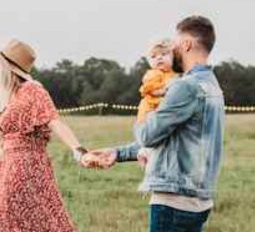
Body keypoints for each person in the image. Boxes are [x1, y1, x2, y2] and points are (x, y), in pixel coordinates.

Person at [86, 15, 224, 232]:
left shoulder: (185, 87)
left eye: (175, 44)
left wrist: (145, 108)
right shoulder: (212, 86)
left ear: (186, 44)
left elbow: (148, 135)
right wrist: (119, 153)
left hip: (173, 201)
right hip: (199, 201)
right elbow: (170, 139)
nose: (172, 50)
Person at [0, 39, 96, 232]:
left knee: (40, 224)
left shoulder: (33, 90)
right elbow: (4, 147)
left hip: (29, 172)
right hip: (8, 173)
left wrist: (80, 151)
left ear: (8, 68)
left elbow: (55, 121)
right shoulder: (13, 97)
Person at [137, 39, 178, 167]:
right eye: (154, 56)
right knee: (152, 133)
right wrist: (165, 91)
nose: (159, 58)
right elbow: (151, 89)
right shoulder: (153, 74)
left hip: (161, 110)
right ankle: (144, 152)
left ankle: (150, 154)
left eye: (164, 54)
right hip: (150, 110)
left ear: (173, 57)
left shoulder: (174, 74)